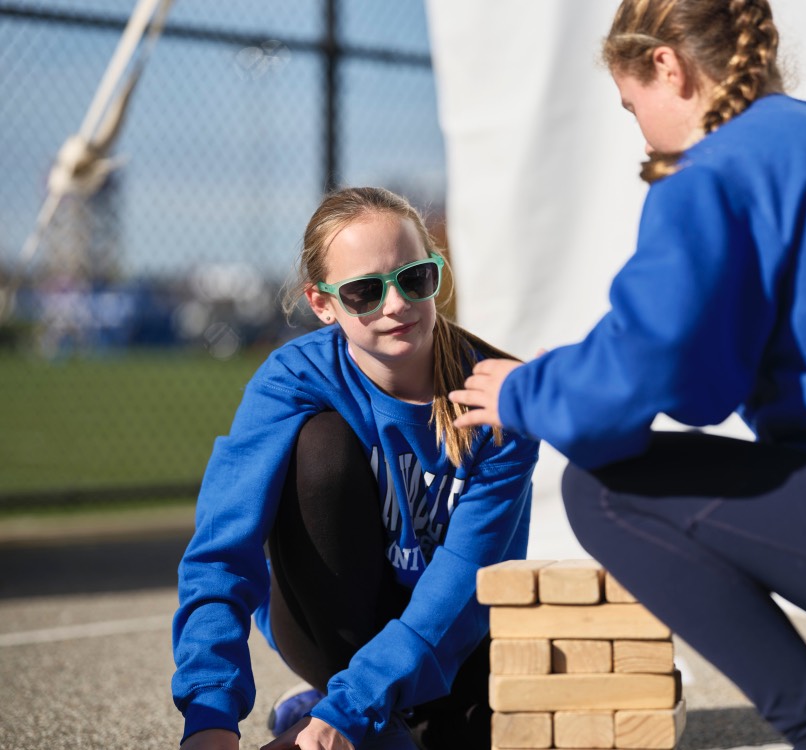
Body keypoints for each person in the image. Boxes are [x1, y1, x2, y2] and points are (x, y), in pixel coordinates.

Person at [448, 1, 806, 749]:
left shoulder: (715, 170)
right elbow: (705, 387)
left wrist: (525, 390)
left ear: (667, 67)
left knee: (605, 491)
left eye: (631, 104)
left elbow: (631, 384)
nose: (638, 130)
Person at [171, 186, 539, 750]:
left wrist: (349, 711)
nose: (395, 305)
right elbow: (223, 548)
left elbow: (459, 586)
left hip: (451, 637)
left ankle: (328, 710)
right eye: (365, 291)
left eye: (415, 278)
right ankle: (338, 705)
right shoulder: (294, 378)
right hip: (325, 625)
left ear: (438, 273)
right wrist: (210, 717)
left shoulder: (497, 396)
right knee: (320, 446)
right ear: (322, 304)